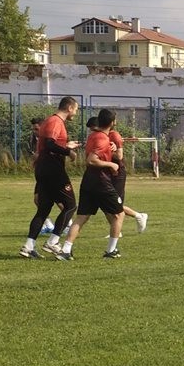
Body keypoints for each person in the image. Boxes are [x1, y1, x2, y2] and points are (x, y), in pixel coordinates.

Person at [57, 110, 123, 260]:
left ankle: (65, 250)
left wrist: (109, 149)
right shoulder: (102, 139)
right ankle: (111, 251)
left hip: (88, 180)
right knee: (119, 214)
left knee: (81, 217)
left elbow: (96, 152)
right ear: (113, 122)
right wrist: (111, 165)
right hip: (101, 181)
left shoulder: (94, 136)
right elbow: (92, 160)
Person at [20, 96, 81, 258]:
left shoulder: (50, 121)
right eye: (76, 109)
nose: (76, 112)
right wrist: (69, 152)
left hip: (43, 168)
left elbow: (51, 145)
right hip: (52, 169)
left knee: (44, 209)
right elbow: (49, 144)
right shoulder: (55, 121)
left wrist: (66, 146)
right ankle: (53, 242)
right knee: (70, 206)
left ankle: (28, 246)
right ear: (69, 108)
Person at [107, 124, 149, 233]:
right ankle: (116, 231)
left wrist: (107, 151)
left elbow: (119, 156)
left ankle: (139, 216)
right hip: (108, 172)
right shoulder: (103, 136)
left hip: (117, 173)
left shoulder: (114, 136)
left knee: (115, 205)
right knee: (106, 204)